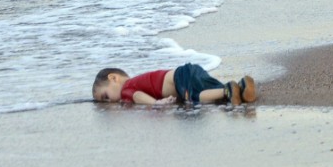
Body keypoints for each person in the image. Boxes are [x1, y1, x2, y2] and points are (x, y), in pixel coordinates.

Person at [92, 63, 257, 106]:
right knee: (212, 89)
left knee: (196, 97)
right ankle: (241, 87)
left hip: (180, 78)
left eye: (105, 96)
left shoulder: (127, 89)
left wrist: (156, 103)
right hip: (188, 71)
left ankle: (227, 91)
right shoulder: (137, 81)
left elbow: (137, 96)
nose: (109, 102)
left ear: (113, 78)